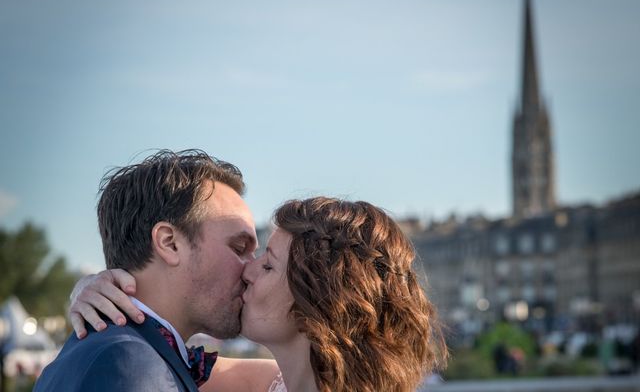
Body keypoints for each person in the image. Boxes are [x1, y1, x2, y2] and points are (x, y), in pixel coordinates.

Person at [70, 196, 448, 391]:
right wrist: (93, 290)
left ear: (316, 301)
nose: (248, 271)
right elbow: (162, 353)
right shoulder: (268, 383)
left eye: (267, 265)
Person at [35, 150, 278, 391]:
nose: (250, 269)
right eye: (239, 248)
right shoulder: (129, 362)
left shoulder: (125, 351)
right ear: (169, 243)